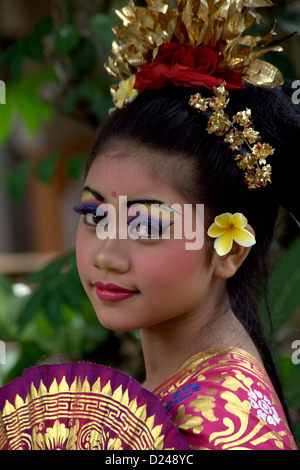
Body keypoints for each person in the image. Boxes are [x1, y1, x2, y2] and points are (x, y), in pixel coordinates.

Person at [0, 0, 299, 451]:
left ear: (230, 250)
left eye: (149, 227)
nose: (106, 255)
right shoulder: (189, 389)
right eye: (95, 216)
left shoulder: (217, 426)